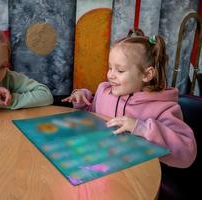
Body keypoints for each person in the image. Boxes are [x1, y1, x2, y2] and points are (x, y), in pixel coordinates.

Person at [62, 28, 196, 168]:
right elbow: (92, 119)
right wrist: (83, 101)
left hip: (137, 178)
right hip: (100, 165)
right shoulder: (104, 91)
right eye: (110, 68)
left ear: (146, 75)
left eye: (120, 70)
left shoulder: (164, 108)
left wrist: (142, 128)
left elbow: (187, 153)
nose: (110, 75)